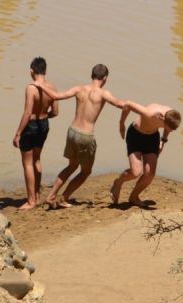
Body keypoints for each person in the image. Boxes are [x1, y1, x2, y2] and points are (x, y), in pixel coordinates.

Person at [45, 64, 129, 208]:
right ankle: (63, 198)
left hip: (72, 131)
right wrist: (139, 109)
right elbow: (121, 104)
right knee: (85, 171)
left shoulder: (79, 89)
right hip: (86, 136)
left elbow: (56, 96)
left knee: (71, 166)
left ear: (92, 75)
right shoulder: (103, 93)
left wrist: (40, 85)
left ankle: (51, 195)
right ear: (105, 78)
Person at [110, 101, 182, 208]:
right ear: (163, 120)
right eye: (170, 128)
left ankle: (134, 197)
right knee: (135, 172)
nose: (171, 131)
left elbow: (167, 128)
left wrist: (163, 141)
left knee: (150, 174)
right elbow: (128, 105)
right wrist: (121, 124)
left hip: (152, 138)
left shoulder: (171, 115)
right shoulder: (150, 114)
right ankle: (118, 182)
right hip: (136, 135)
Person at [12, 56, 58, 210]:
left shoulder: (31, 88)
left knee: (27, 163)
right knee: (37, 160)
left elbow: (27, 113)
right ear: (45, 71)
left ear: (31, 71)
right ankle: (37, 195)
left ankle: (31, 201)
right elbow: (56, 112)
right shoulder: (52, 87)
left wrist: (18, 133)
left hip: (31, 126)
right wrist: (44, 116)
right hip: (44, 125)